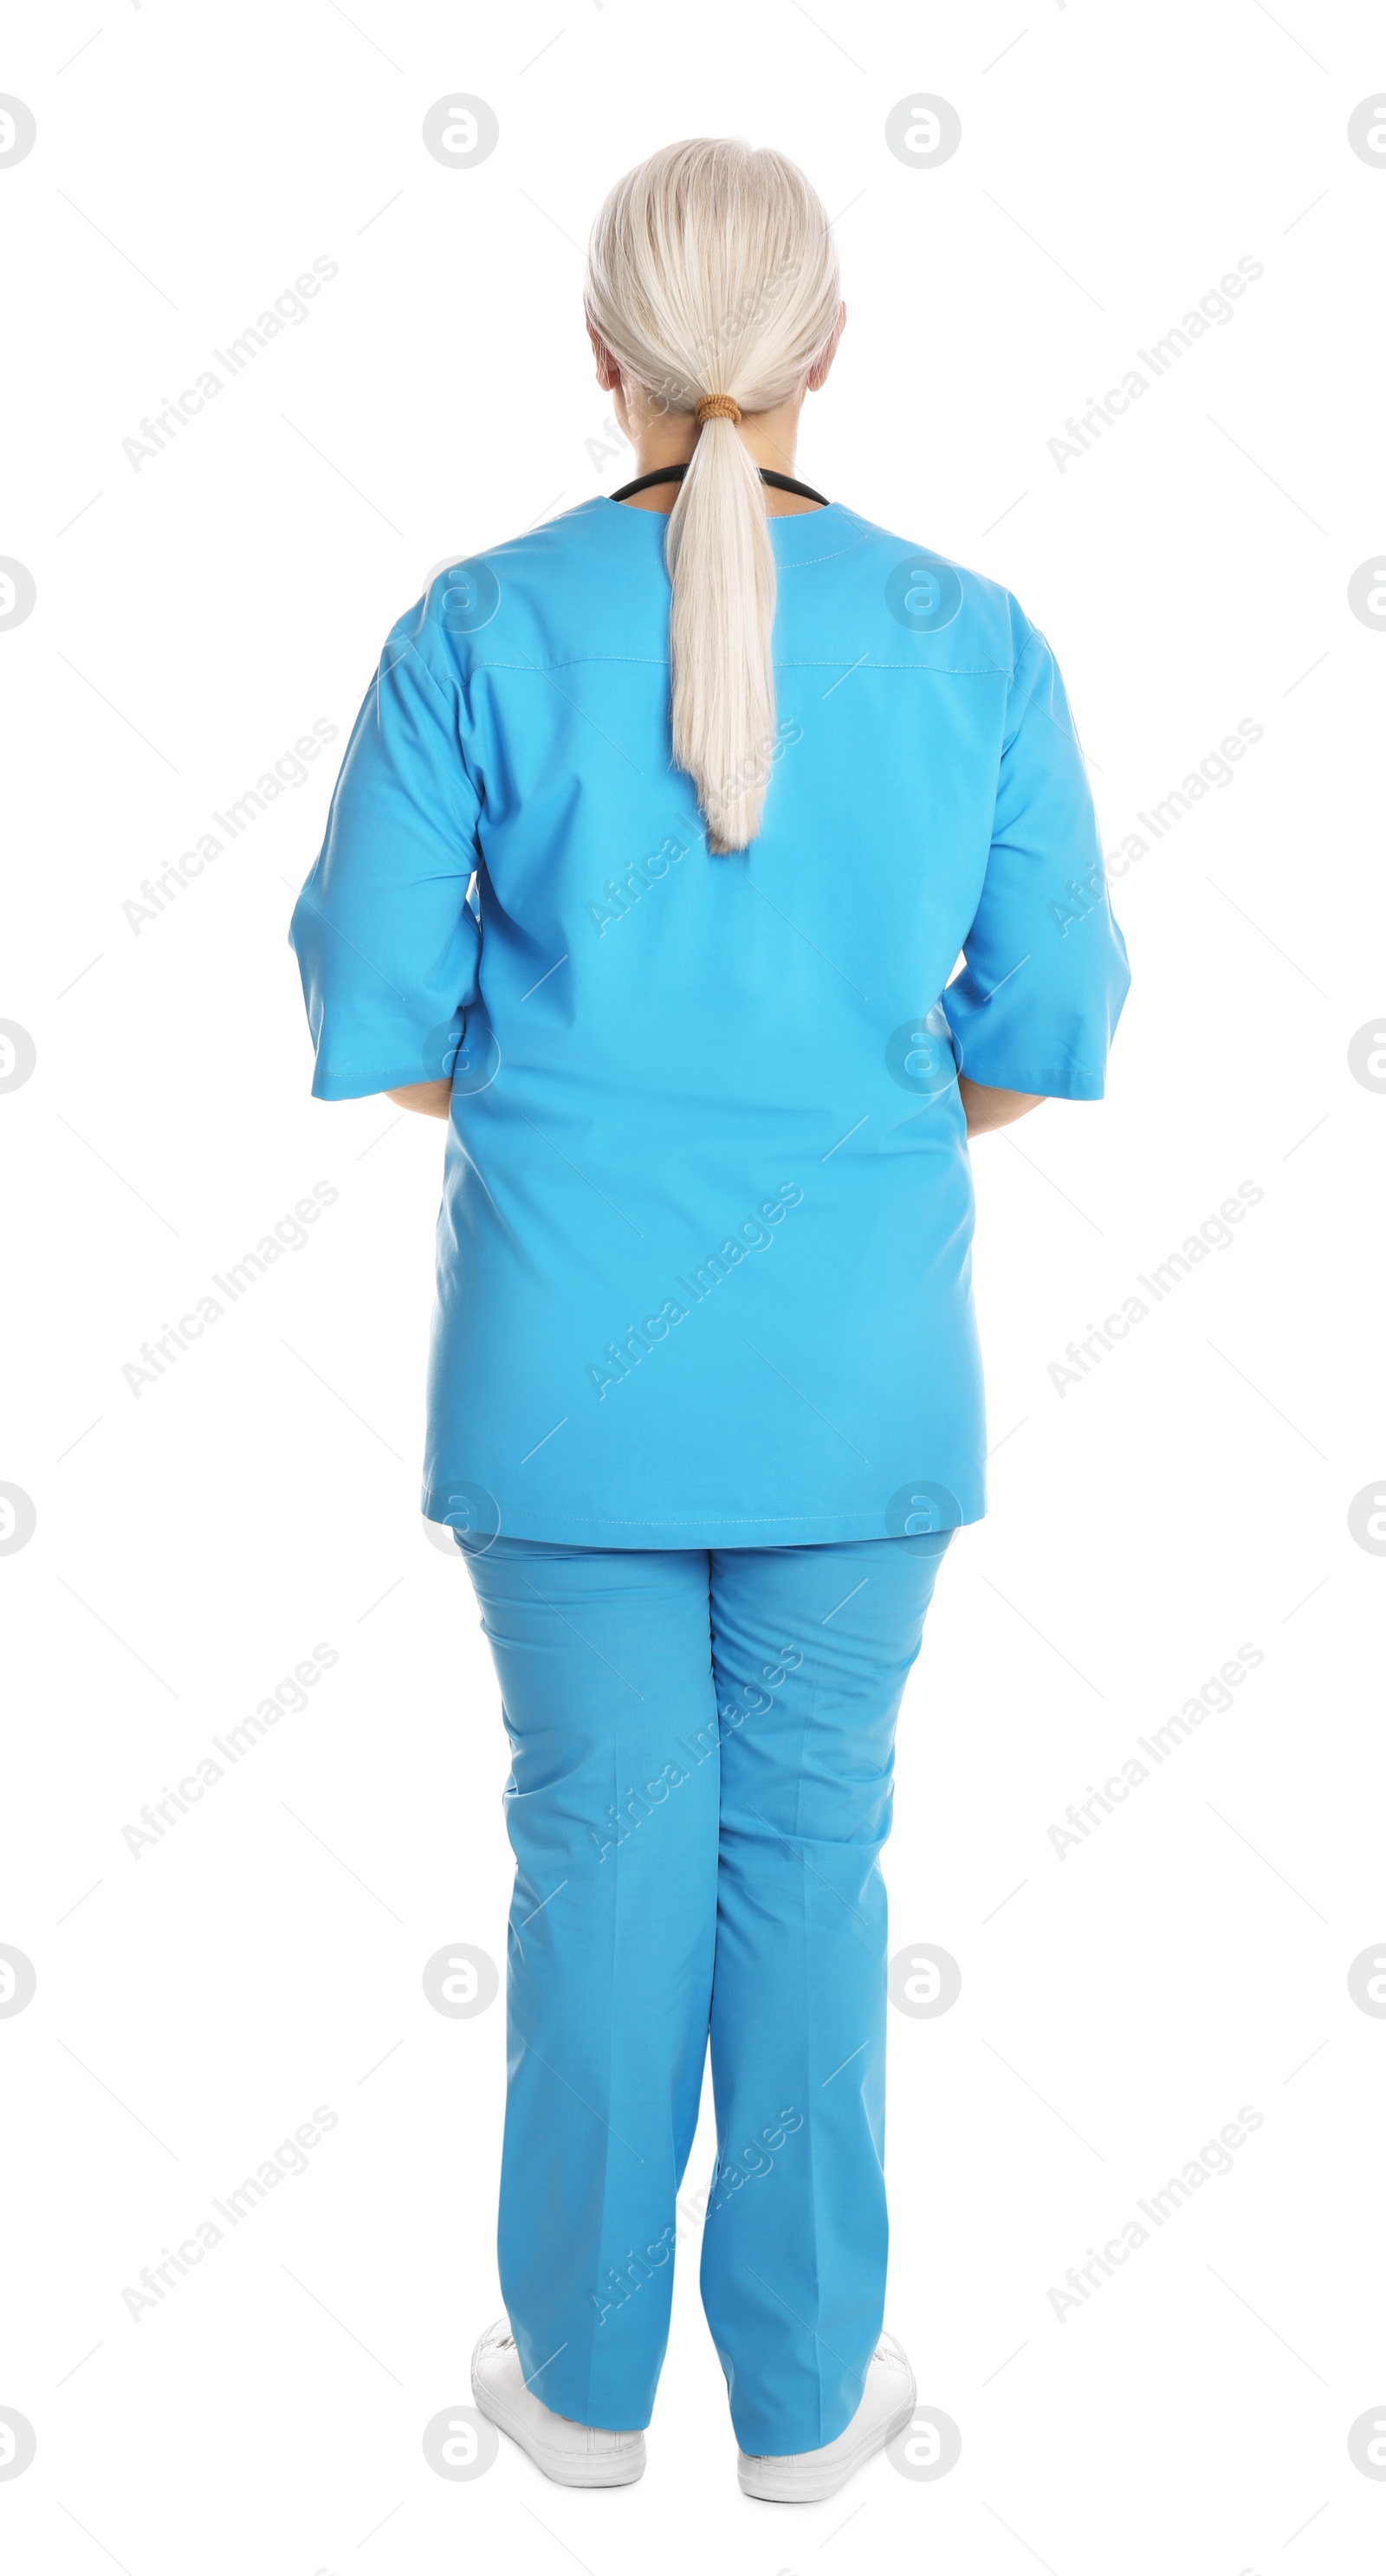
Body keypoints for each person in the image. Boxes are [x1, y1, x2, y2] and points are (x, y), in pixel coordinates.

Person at [289, 136, 1129, 2503]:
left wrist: (578, 1099)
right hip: (863, 1378)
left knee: (601, 1862)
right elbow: (1047, 1022)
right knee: (809, 1865)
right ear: (831, 350)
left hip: (561, 1383)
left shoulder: (472, 625)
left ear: (601, 359)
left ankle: (572, 2388)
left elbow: (369, 1001)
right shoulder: (978, 642)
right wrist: (838, 1134)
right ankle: (799, 2401)